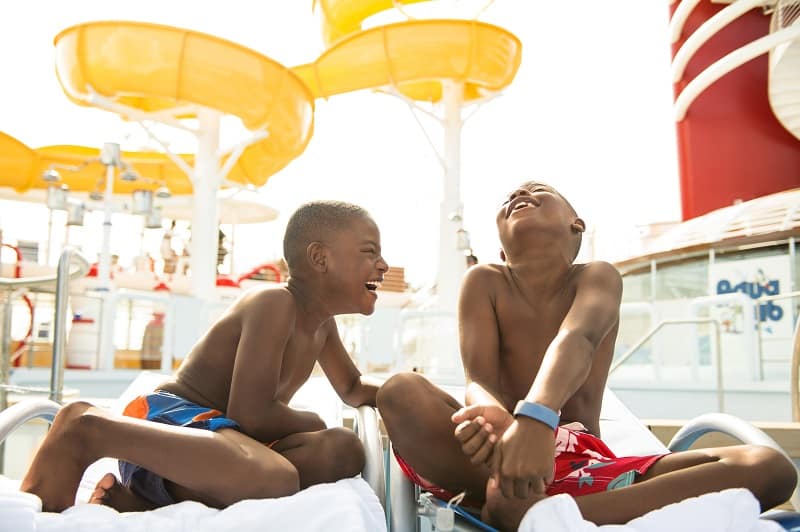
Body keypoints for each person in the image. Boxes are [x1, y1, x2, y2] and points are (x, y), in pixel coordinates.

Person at [377, 182, 796, 530]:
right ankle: (521, 497)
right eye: (509, 199)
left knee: (770, 466)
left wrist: (537, 418)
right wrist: (496, 419)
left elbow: (578, 337)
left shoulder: (597, 276)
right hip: (495, 460)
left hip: (587, 468)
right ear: (501, 249)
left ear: (576, 225)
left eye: (538, 191)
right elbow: (478, 380)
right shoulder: (484, 281)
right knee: (400, 391)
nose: (520, 193)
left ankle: (529, 514)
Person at [21, 200, 389, 513]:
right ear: (320, 258)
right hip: (175, 423)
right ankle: (86, 428)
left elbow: (352, 387)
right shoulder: (275, 303)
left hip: (227, 439)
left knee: (343, 450)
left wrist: (401, 394)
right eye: (369, 252)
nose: (383, 265)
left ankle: (141, 501)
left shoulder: (322, 326)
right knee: (277, 476)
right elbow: (253, 414)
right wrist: (312, 421)